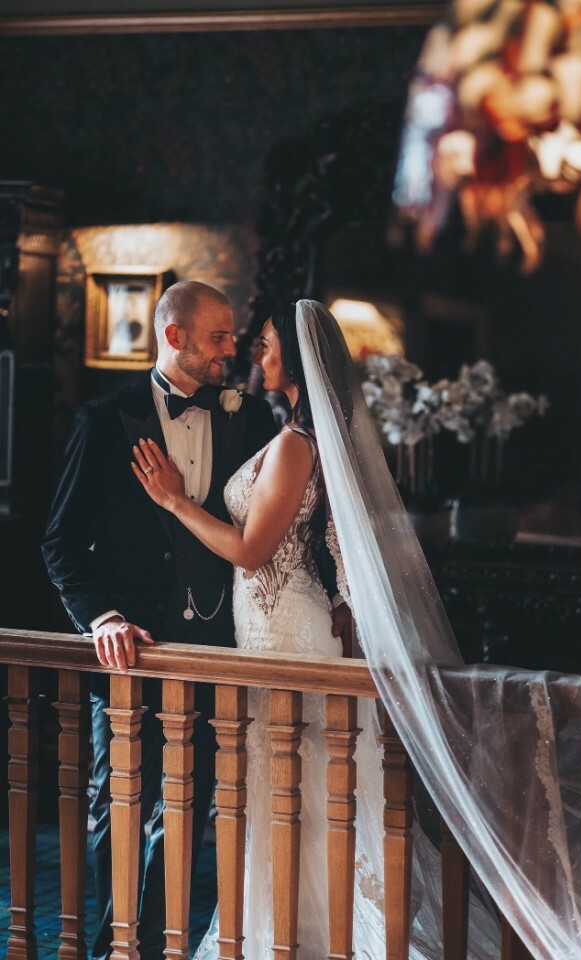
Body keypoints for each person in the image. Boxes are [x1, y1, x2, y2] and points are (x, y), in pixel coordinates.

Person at [131, 301, 500, 959]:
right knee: (282, 798)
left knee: (298, 791)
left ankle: (316, 937)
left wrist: (173, 501)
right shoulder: (292, 438)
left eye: (266, 344)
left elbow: (251, 551)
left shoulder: (298, 446)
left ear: (295, 358)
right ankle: (285, 935)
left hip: (288, 637)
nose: (256, 355)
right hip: (271, 628)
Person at [42, 282, 350, 960]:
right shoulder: (105, 420)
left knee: (189, 814)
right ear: (174, 336)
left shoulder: (255, 420)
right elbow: (61, 544)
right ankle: (113, 948)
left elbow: (296, 527)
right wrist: (103, 617)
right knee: (117, 806)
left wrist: (340, 602)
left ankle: (164, 945)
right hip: (135, 650)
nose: (232, 351)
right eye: (218, 337)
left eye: (240, 337)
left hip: (223, 650)